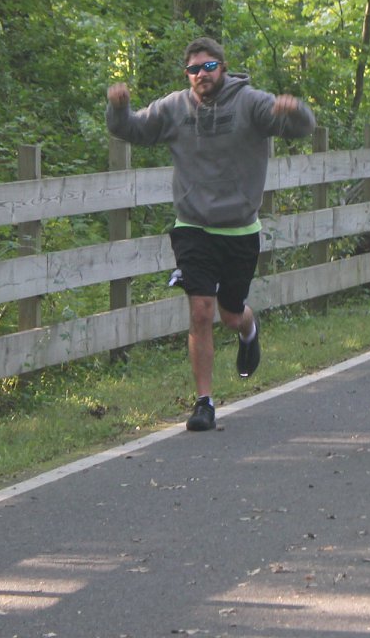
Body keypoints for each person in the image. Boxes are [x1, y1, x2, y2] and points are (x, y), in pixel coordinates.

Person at [107, 38, 316, 432]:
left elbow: (301, 128)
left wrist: (296, 110)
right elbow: (131, 129)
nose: (201, 75)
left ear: (223, 67)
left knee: (230, 313)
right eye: (193, 69)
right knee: (201, 310)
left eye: (208, 67)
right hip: (193, 226)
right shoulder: (174, 108)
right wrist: (118, 107)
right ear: (186, 74)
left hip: (239, 227)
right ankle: (204, 402)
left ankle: (248, 329)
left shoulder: (251, 102)